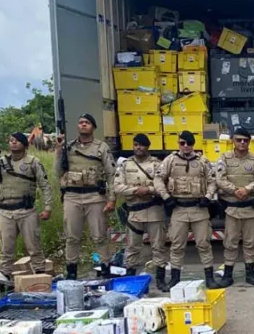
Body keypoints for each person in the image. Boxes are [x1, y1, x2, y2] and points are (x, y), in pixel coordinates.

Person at [153, 130, 221, 291]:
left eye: (189, 143)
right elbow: (158, 179)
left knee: (204, 244)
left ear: (193, 144)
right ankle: (175, 279)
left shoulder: (202, 161)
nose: (185, 146)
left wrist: (208, 196)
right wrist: (166, 197)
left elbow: (212, 181)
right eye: (182, 143)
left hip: (199, 208)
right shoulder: (170, 160)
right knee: (177, 245)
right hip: (178, 209)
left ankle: (210, 278)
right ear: (178, 143)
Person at [55, 113, 115, 280]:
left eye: (87, 122)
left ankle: (105, 269)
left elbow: (111, 174)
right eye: (80, 122)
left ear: (93, 127)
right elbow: (58, 172)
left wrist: (112, 199)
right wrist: (58, 150)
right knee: (72, 237)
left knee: (99, 236)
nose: (83, 125)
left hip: (95, 196)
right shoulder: (68, 147)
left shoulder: (101, 148)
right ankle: (71, 271)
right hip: (72, 196)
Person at [0, 132, 53, 277]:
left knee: (34, 247)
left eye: (16, 140)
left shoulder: (33, 162)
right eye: (10, 140)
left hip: (26, 211)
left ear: (24, 144)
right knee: (6, 249)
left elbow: (45, 185)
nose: (13, 143)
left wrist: (48, 207)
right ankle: (5, 278)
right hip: (5, 211)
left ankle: (41, 276)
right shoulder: (1, 162)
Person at [215, 127, 254, 287]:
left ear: (249, 142)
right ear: (233, 141)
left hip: (250, 209)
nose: (242, 143)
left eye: (245, 140)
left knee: (250, 242)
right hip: (232, 208)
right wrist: (234, 190)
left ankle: (250, 274)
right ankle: (228, 275)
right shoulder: (224, 158)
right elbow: (220, 179)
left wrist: (248, 189)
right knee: (230, 242)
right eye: (239, 140)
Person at [112, 133, 165, 281]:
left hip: (154, 211)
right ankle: (130, 278)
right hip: (134, 212)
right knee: (132, 247)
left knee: (158, 246)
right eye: (136, 145)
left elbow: (163, 187)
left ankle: (160, 279)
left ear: (147, 147)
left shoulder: (156, 165)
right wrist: (136, 191)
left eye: (141, 145)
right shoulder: (125, 165)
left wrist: (148, 190)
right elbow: (117, 187)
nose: (138, 148)